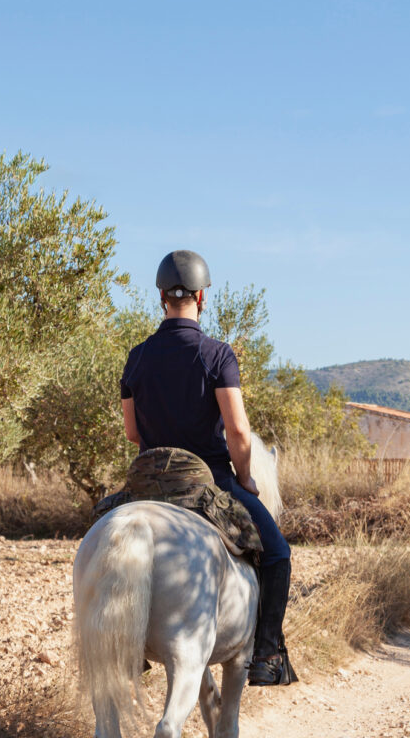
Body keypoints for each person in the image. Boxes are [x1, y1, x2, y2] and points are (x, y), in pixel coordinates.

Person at [120, 249, 293, 687]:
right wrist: (247, 479)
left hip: (149, 481)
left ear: (161, 297)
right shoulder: (218, 355)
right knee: (277, 554)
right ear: (202, 297)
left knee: (102, 529)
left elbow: (131, 434)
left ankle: (126, 643)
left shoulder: (137, 357)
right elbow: (237, 431)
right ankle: (266, 656)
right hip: (207, 480)